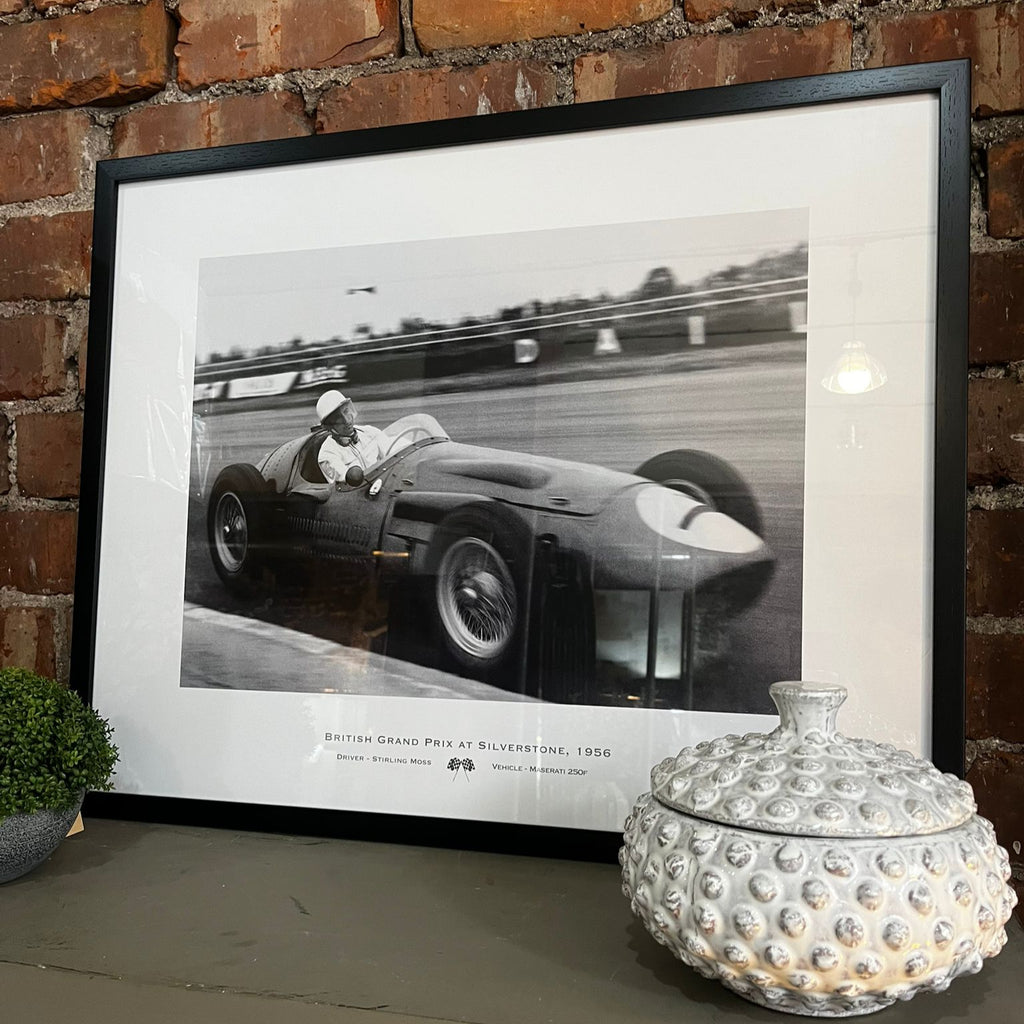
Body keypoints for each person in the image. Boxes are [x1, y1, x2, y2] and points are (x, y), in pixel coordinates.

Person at [315, 390, 386, 483]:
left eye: (346, 411)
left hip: (384, 482)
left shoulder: (370, 432)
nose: (347, 420)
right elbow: (346, 481)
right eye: (338, 418)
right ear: (329, 426)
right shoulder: (327, 454)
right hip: (357, 493)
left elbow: (392, 450)